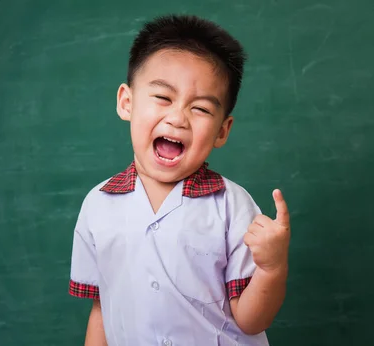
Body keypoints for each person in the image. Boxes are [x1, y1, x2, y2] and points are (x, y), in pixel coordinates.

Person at [68, 14, 291, 346]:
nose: (177, 118)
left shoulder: (233, 206)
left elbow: (251, 319)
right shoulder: (98, 205)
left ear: (222, 131)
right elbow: (103, 308)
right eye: (162, 97)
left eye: (200, 109)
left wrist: (272, 268)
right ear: (126, 102)